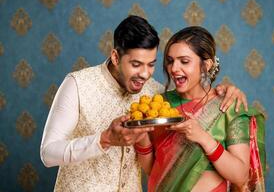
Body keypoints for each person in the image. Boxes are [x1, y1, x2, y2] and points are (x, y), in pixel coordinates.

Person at [40, 16, 249, 192]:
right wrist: (104, 140)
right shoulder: (78, 84)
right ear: (115, 56)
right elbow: (48, 153)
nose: (145, 74)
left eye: (151, 65)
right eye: (136, 64)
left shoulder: (157, 94)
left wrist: (229, 89)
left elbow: (160, 165)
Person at [135, 26, 266, 192]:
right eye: (170, 61)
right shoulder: (161, 105)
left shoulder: (228, 106)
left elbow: (240, 176)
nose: (174, 69)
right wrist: (141, 139)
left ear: (206, 64)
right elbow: (154, 170)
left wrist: (202, 137)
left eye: (184, 61)